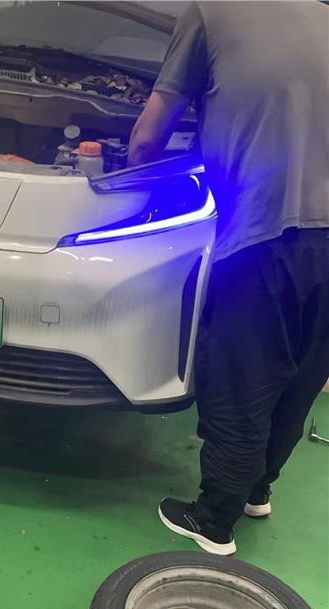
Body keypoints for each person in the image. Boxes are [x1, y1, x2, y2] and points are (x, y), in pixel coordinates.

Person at [129, 1, 329, 555]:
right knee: (300, 377)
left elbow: (147, 137)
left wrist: (129, 196)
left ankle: (214, 519)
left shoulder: (209, 11)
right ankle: (257, 490)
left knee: (241, 378)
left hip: (267, 234)